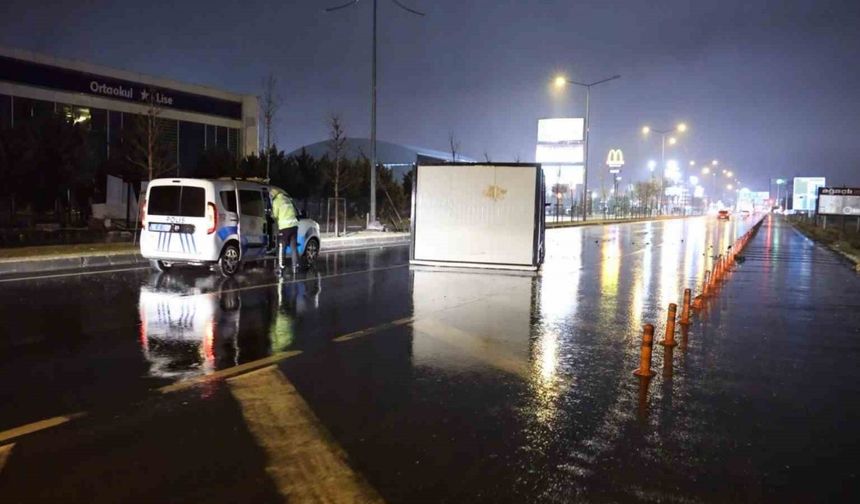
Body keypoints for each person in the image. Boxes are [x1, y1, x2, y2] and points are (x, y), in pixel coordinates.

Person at [270, 187, 299, 274]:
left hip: (284, 227)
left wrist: (270, 215)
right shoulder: (287, 199)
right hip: (294, 226)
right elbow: (295, 211)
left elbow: (275, 215)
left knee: (282, 247)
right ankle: (295, 266)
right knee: (294, 247)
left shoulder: (276, 201)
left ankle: (281, 267)